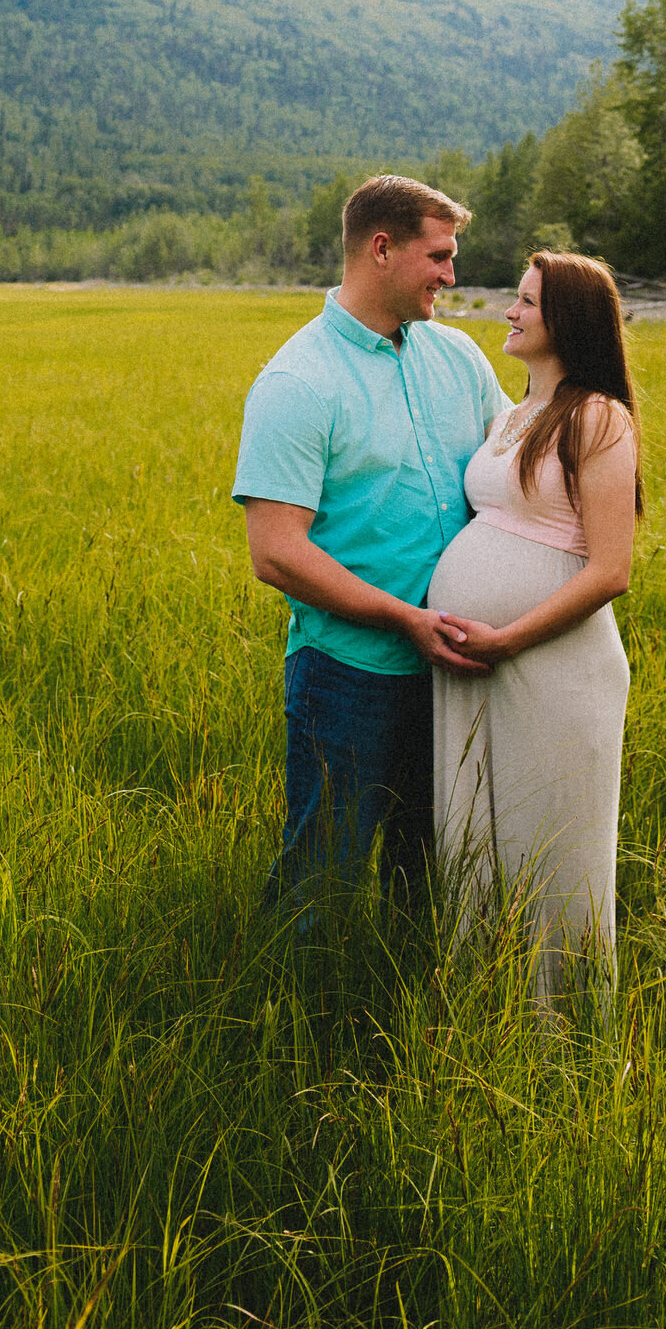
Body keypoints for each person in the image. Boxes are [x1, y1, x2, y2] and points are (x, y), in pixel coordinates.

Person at [234, 174, 510, 917]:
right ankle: (289, 1017)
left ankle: (403, 1011)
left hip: (452, 667)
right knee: (323, 875)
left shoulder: (458, 358)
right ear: (382, 249)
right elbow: (276, 553)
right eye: (441, 256)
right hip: (348, 676)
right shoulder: (298, 381)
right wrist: (404, 619)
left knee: (429, 872)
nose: (453, 275)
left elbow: (520, 467)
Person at [429, 250, 640, 995]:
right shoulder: (511, 415)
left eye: (526, 303)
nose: (509, 313)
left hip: (550, 665)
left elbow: (610, 569)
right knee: (478, 835)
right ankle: (491, 1005)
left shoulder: (598, 418)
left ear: (568, 321)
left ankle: (563, 1032)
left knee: (549, 843)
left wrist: (506, 638)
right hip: (477, 661)